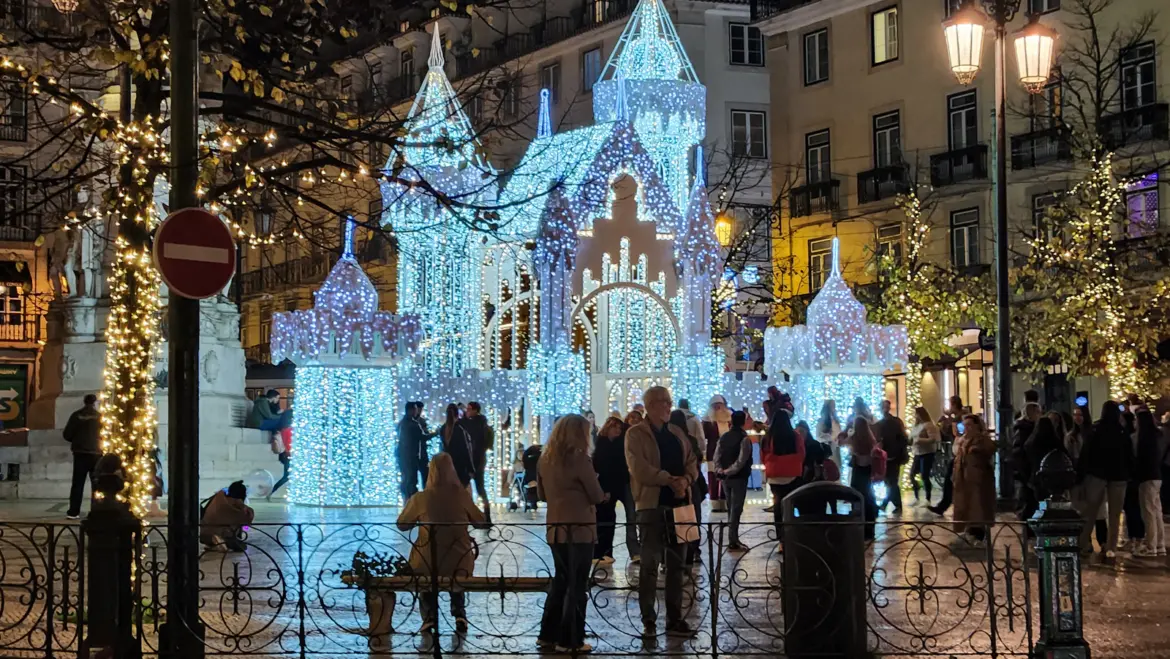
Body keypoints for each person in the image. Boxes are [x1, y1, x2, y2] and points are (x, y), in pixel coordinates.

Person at [625, 386, 698, 639]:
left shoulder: (677, 432)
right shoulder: (636, 434)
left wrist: (685, 481)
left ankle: (675, 618)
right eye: (664, 402)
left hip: (681, 505)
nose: (669, 406)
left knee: (678, 565)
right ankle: (648, 619)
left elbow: (692, 461)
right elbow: (639, 468)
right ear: (652, 405)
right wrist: (668, 479)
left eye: (669, 402)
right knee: (650, 564)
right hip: (652, 506)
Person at [397, 453, 488, 635]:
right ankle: (459, 613)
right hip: (459, 561)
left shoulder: (420, 498)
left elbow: (402, 525)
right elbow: (481, 521)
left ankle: (429, 617)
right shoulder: (461, 496)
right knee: (456, 565)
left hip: (427, 563)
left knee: (427, 566)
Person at [537, 414, 606, 653]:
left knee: (561, 581)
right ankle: (570, 639)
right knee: (577, 584)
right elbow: (596, 495)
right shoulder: (580, 459)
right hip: (579, 528)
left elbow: (542, 495)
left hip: (555, 528)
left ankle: (547, 634)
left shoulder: (545, 459)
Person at [1077, 400, 1132, 558]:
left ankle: (1082, 543)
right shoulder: (1122, 431)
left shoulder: (1096, 429)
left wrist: (1081, 474)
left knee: (1090, 511)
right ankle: (1111, 547)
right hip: (1119, 476)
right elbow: (1129, 455)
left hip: (1097, 474)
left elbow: (1086, 453)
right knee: (1115, 514)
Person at [762, 404, 804, 544]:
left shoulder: (768, 436)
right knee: (790, 505)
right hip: (792, 473)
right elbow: (801, 453)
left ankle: (781, 539)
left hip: (774, 475)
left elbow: (763, 455)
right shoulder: (795, 435)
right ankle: (792, 535)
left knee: (778, 506)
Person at [952, 414, 996, 547]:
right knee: (965, 506)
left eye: (970, 425)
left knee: (978, 508)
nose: (967, 428)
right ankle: (969, 531)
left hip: (978, 480)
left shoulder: (982, 440)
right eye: (965, 425)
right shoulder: (962, 440)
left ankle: (978, 533)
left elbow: (990, 449)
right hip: (963, 479)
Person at [670, 409, 707, 566]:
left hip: (673, 484)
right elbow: (698, 457)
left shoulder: (668, 439)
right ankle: (692, 552)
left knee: (675, 520)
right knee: (692, 518)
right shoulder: (690, 439)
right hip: (691, 484)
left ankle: (675, 556)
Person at [593, 417, 632, 562]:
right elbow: (604, 469)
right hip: (606, 487)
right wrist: (606, 489)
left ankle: (606, 551)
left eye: (620, 429)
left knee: (609, 519)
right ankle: (600, 552)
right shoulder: (603, 445)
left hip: (614, 486)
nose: (618, 431)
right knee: (604, 519)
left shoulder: (614, 444)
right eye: (615, 428)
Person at [713, 410, 752, 551]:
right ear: (743, 422)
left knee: (731, 508)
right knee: (736, 509)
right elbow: (741, 461)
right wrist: (729, 471)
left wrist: (720, 471)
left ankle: (732, 538)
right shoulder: (744, 438)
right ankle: (733, 540)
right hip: (738, 478)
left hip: (725, 478)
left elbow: (716, 455)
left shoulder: (724, 437)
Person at [1133, 409, 1166, 557]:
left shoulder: (1144, 439)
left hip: (1146, 477)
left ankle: (1151, 546)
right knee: (1157, 511)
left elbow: (1140, 460)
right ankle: (1160, 544)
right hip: (1156, 476)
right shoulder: (1157, 436)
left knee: (1148, 512)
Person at [63, 394, 102, 519]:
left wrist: (77, 440)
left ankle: (74, 511)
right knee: (96, 484)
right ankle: (96, 511)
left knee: (77, 483)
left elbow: (67, 434)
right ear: (95, 403)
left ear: (84, 402)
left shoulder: (76, 415)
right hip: (96, 453)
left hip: (80, 453)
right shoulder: (101, 417)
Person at [929, 396, 965, 516]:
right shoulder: (957, 417)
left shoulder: (961, 418)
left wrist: (951, 422)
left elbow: (958, 433)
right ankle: (943, 505)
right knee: (949, 479)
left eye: (951, 405)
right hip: (957, 451)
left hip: (961, 452)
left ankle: (946, 505)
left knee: (952, 479)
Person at [843, 416, 878, 539]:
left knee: (857, 497)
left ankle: (859, 526)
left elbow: (842, 442)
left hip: (858, 471)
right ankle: (870, 527)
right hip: (867, 471)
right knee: (868, 497)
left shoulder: (854, 438)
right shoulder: (870, 439)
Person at [875, 400, 909, 515]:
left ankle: (892, 505)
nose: (885, 409)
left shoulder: (894, 423)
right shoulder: (882, 424)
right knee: (889, 482)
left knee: (892, 482)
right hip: (886, 456)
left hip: (894, 456)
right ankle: (888, 504)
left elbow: (903, 439)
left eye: (886, 407)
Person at [1023, 417, 1067, 507]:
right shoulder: (1054, 441)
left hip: (1035, 476)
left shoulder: (1031, 442)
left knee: (1037, 503)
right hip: (1053, 477)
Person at [462, 401, 495, 519]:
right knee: (480, 488)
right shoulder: (482, 423)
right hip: (478, 460)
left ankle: (474, 514)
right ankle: (486, 515)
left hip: (475, 460)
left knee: (474, 487)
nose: (467, 411)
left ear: (476, 410)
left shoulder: (475, 425)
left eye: (469, 409)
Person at [200, 481, 255, 552]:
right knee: (242, 547)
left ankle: (214, 542)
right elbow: (247, 523)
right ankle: (220, 540)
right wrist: (243, 507)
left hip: (204, 534)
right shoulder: (241, 509)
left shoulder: (218, 497)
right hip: (225, 534)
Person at [1011, 402, 1043, 522]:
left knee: (1031, 503)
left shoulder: (1029, 428)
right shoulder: (1024, 429)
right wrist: (1025, 474)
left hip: (1030, 473)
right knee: (1028, 503)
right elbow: (1019, 453)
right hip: (1027, 473)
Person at [703, 395, 733, 512]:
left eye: (719, 406)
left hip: (727, 452)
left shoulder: (730, 417)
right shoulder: (707, 420)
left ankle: (725, 501)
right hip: (713, 452)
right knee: (713, 478)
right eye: (715, 406)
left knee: (726, 476)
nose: (717, 408)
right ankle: (715, 502)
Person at [397, 402, 431, 501]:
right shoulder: (413, 424)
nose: (417, 411)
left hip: (404, 457)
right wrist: (437, 433)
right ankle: (413, 502)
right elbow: (423, 437)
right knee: (412, 480)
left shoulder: (402, 423)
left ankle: (407, 501)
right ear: (411, 410)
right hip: (412, 457)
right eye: (415, 409)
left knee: (407, 479)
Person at [908, 407, 940, 505]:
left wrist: (919, 440)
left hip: (927, 453)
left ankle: (927, 499)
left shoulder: (928, 425)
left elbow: (933, 439)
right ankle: (916, 497)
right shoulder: (917, 426)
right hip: (918, 453)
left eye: (917, 414)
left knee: (924, 476)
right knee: (912, 474)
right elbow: (911, 437)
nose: (915, 416)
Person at [442, 403, 476, 487]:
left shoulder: (443, 429)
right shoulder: (460, 430)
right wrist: (470, 469)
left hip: (446, 464)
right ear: (457, 414)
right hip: (459, 466)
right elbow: (465, 450)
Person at [816, 400, 843, 479]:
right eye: (832, 406)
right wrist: (829, 439)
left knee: (837, 469)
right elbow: (819, 435)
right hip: (828, 449)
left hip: (836, 447)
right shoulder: (822, 421)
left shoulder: (836, 420)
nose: (834, 408)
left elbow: (838, 431)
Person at [269, 425, 293, 499]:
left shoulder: (284, 431)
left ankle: (271, 491)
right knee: (287, 476)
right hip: (288, 455)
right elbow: (288, 444)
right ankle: (271, 491)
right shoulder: (289, 431)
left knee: (287, 476)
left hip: (285, 455)